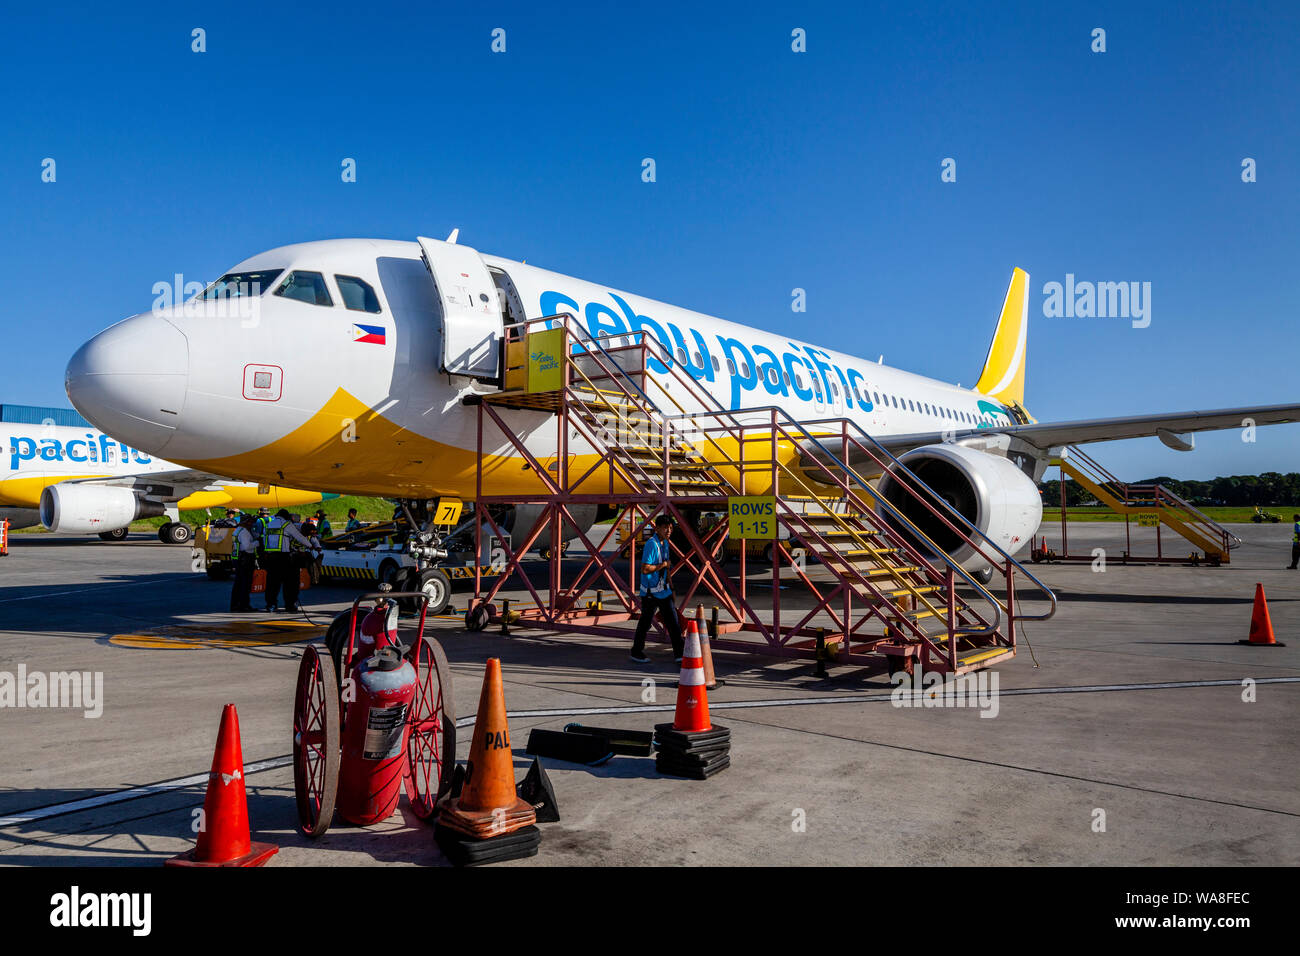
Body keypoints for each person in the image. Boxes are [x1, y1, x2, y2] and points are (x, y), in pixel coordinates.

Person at [630, 514, 683, 664]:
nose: (668, 531)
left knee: (673, 622)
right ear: (657, 528)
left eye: (671, 528)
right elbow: (645, 569)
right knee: (645, 623)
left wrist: (671, 587)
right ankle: (636, 651)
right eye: (665, 528)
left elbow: (666, 567)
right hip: (650, 593)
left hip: (663, 591)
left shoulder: (665, 543)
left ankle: (679, 654)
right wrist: (663, 566)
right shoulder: (651, 544)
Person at [261, 508, 318, 612]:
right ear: (286, 516)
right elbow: (299, 537)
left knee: (272, 583)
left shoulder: (267, 525)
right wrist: (310, 546)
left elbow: (264, 540)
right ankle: (290, 605)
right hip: (284, 558)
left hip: (270, 558)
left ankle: (271, 605)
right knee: (290, 583)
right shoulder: (286, 524)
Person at [229, 514, 260, 612]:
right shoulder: (245, 532)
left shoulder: (237, 530)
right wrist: (257, 543)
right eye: (250, 522)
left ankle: (235, 605)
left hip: (238, 559)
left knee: (238, 584)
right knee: (245, 584)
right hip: (246, 559)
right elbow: (247, 546)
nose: (252, 524)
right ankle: (244, 605)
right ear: (246, 522)